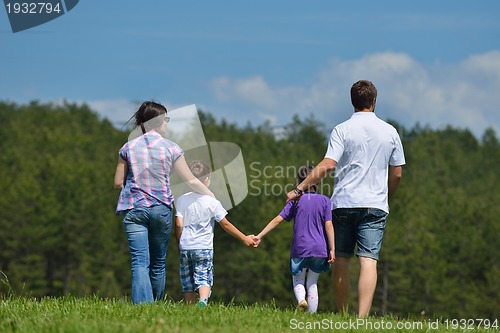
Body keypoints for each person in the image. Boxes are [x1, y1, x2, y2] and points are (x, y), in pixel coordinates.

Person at [286, 80, 405, 317]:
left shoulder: (342, 129)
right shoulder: (390, 131)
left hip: (343, 203)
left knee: (341, 260)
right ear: (374, 101)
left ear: (353, 102)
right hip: (375, 204)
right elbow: (397, 173)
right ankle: (361, 319)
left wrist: (300, 188)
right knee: (369, 261)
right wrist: (386, 197)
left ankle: (342, 315)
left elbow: (328, 165)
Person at [114, 101, 214, 305]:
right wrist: (210, 196)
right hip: (161, 209)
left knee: (139, 261)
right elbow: (191, 180)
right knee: (158, 262)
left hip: (134, 208)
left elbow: (117, 183)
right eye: (166, 120)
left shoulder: (128, 148)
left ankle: (143, 306)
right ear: (158, 122)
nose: (167, 124)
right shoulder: (171, 148)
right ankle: (156, 306)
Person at [254, 165, 335, 313]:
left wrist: (260, 235)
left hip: (300, 247)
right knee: (312, 282)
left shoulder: (296, 201)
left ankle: (301, 300)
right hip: (320, 248)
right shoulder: (325, 201)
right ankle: (312, 316)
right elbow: (329, 226)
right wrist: (332, 248)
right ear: (317, 181)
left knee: (298, 280)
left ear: (299, 181)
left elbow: (277, 220)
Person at [175, 160, 256, 307]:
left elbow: (178, 224)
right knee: (203, 276)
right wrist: (244, 238)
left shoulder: (181, 200)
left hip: (186, 246)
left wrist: (179, 242)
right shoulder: (212, 201)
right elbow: (225, 224)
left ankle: (188, 307)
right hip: (203, 247)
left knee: (187, 280)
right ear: (206, 180)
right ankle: (203, 300)